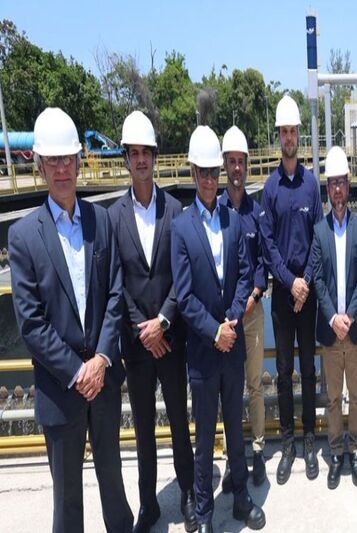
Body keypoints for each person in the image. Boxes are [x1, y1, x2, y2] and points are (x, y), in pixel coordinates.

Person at [9, 107, 134, 532]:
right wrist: (79, 372)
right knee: (66, 501)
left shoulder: (102, 221)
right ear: (40, 165)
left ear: (80, 161)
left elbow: (115, 293)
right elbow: (31, 323)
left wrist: (101, 359)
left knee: (113, 484)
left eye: (68, 159)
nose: (62, 169)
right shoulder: (24, 237)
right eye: (53, 161)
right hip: (61, 389)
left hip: (103, 380)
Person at [171, 126, 265, 532]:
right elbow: (184, 295)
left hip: (232, 342)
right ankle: (206, 513)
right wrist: (215, 331)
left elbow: (245, 273)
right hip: (203, 352)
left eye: (214, 172)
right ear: (193, 173)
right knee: (205, 437)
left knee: (236, 428)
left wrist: (232, 319)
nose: (210, 179)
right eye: (204, 172)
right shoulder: (182, 227)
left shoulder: (232, 220)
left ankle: (240, 496)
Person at [108, 111, 196, 532]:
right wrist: (142, 329)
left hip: (171, 339)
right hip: (137, 346)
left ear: (156, 157)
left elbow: (183, 275)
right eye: (134, 153)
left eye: (146, 152)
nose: (141, 160)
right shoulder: (113, 217)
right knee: (143, 431)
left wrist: (162, 321)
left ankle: (189, 494)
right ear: (126, 158)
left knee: (179, 423)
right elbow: (116, 282)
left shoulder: (175, 211)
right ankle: (149, 504)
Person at [260, 94, 323, 483]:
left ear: (299, 135)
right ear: (278, 136)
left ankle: (310, 440)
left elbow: (318, 239)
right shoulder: (270, 189)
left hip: (308, 294)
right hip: (284, 295)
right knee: (284, 371)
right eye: (283, 131)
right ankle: (287, 444)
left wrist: (306, 282)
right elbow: (267, 245)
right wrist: (290, 281)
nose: (288, 137)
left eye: (292, 131)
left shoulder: (311, 185)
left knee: (308, 369)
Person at [310, 146, 357, 490]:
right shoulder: (319, 231)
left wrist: (350, 314)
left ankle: (356, 449)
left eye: (341, 183)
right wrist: (334, 317)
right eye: (331, 183)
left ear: (348, 185)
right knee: (334, 398)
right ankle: (336, 452)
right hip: (331, 332)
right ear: (327, 188)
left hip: (355, 330)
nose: (337, 189)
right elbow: (318, 279)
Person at [218, 126, 268, 491]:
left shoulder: (256, 212)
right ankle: (232, 457)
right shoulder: (215, 211)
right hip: (225, 320)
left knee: (255, 386)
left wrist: (252, 298)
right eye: (231, 161)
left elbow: (263, 263)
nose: (237, 168)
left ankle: (258, 451)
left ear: (247, 165)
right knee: (229, 390)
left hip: (252, 314)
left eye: (241, 161)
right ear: (224, 165)